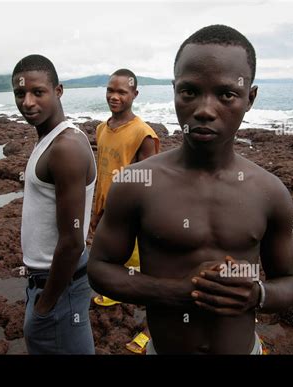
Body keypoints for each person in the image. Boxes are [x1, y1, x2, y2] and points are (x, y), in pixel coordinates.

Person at [88, 25, 293, 354]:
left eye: (226, 94)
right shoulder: (136, 184)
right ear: (174, 91)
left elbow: (290, 280)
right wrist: (180, 292)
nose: (204, 109)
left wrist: (257, 294)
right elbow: (100, 270)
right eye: (189, 92)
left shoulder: (270, 193)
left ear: (251, 98)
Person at [12, 54, 96, 354]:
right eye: (20, 94)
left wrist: (45, 306)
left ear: (58, 91)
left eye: (38, 92)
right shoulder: (48, 138)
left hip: (59, 285)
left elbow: (73, 241)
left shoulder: (66, 148)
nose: (28, 102)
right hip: (51, 281)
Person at [89, 69, 159, 354]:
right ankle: (113, 294)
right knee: (112, 256)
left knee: (152, 274)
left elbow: (150, 182)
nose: (114, 97)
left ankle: (152, 331)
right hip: (106, 208)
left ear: (135, 95)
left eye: (122, 92)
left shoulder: (143, 134)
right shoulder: (101, 128)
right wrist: (97, 206)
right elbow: (104, 169)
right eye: (110, 91)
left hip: (134, 214)